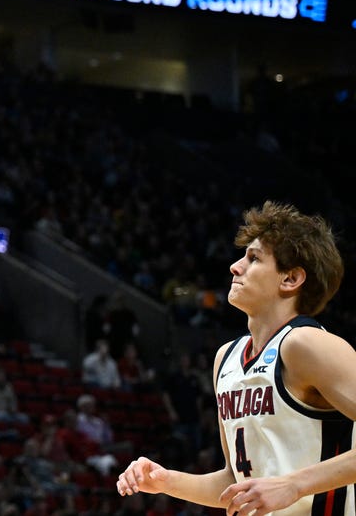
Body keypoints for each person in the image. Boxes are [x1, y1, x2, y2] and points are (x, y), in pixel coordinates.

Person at [117, 202, 352, 516]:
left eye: (254, 258)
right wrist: (165, 481)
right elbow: (236, 480)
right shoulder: (225, 359)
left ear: (291, 279)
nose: (235, 266)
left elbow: (283, 486)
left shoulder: (307, 344)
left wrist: (294, 484)